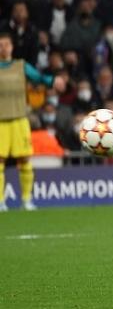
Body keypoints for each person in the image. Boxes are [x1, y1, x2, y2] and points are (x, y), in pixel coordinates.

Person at [0, 31, 66, 211]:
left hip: (20, 119)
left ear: (12, 47)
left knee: (25, 160)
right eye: (0, 44)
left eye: (6, 44)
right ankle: (0, 202)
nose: (3, 48)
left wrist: (52, 81)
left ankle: (26, 200)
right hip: (0, 121)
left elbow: (38, 77)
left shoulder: (21, 66)